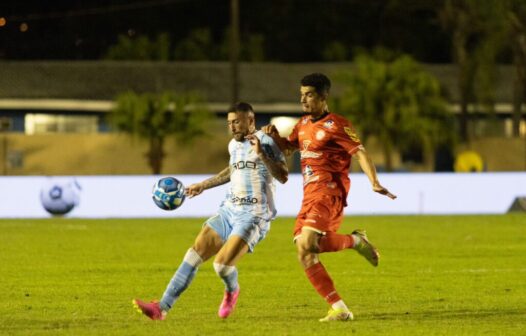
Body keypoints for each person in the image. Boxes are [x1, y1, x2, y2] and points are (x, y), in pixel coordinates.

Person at [133, 102, 288, 320]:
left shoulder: (267, 141)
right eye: (229, 123)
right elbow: (232, 171)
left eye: (236, 122)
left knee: (222, 266)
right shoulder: (233, 146)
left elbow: (283, 176)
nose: (232, 127)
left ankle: (232, 290)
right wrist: (203, 185)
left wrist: (262, 154)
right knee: (194, 253)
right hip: (229, 210)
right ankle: (161, 308)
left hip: (254, 215)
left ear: (250, 121)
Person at [262, 73, 396, 322]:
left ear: (323, 97)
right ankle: (339, 308)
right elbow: (289, 148)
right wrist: (273, 137)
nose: (303, 100)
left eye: (309, 95)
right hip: (309, 195)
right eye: (301, 95)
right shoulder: (302, 125)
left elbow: (360, 153)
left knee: (309, 242)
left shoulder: (338, 124)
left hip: (329, 192)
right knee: (305, 251)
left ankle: (356, 242)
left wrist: (374, 182)